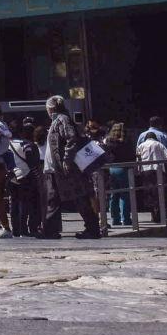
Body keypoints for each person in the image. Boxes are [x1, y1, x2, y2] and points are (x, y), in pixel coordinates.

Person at [43, 94, 102, 239]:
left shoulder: (62, 119)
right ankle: (50, 230)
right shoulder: (58, 120)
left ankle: (92, 228)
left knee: (78, 196)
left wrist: (66, 160)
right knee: (54, 198)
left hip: (63, 168)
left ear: (50, 108)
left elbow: (71, 139)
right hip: (56, 168)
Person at [135, 117, 167, 223]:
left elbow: (137, 156)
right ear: (160, 124)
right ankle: (163, 212)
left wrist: (138, 169)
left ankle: (153, 213)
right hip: (160, 169)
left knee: (148, 192)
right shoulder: (162, 137)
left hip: (145, 170)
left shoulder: (141, 137)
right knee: (161, 190)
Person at [103, 122, 134, 228]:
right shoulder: (126, 142)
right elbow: (132, 155)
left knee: (114, 195)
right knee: (125, 195)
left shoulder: (109, 142)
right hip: (124, 168)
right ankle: (126, 218)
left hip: (112, 169)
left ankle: (115, 219)